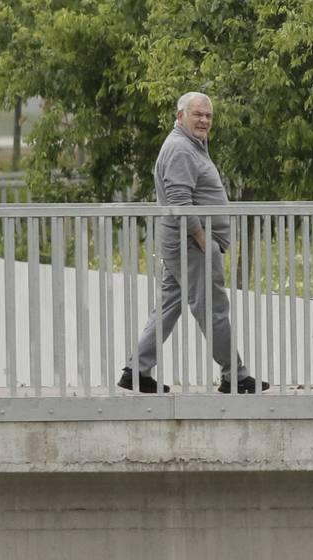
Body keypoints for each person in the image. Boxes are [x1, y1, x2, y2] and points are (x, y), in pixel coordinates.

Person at [118, 92, 268, 394]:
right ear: (180, 116)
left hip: (185, 244)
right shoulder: (181, 150)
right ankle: (234, 377)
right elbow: (179, 201)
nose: (203, 120)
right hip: (191, 245)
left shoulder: (191, 146)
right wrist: (203, 239)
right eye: (197, 114)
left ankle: (136, 371)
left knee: (167, 307)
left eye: (208, 116)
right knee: (213, 310)